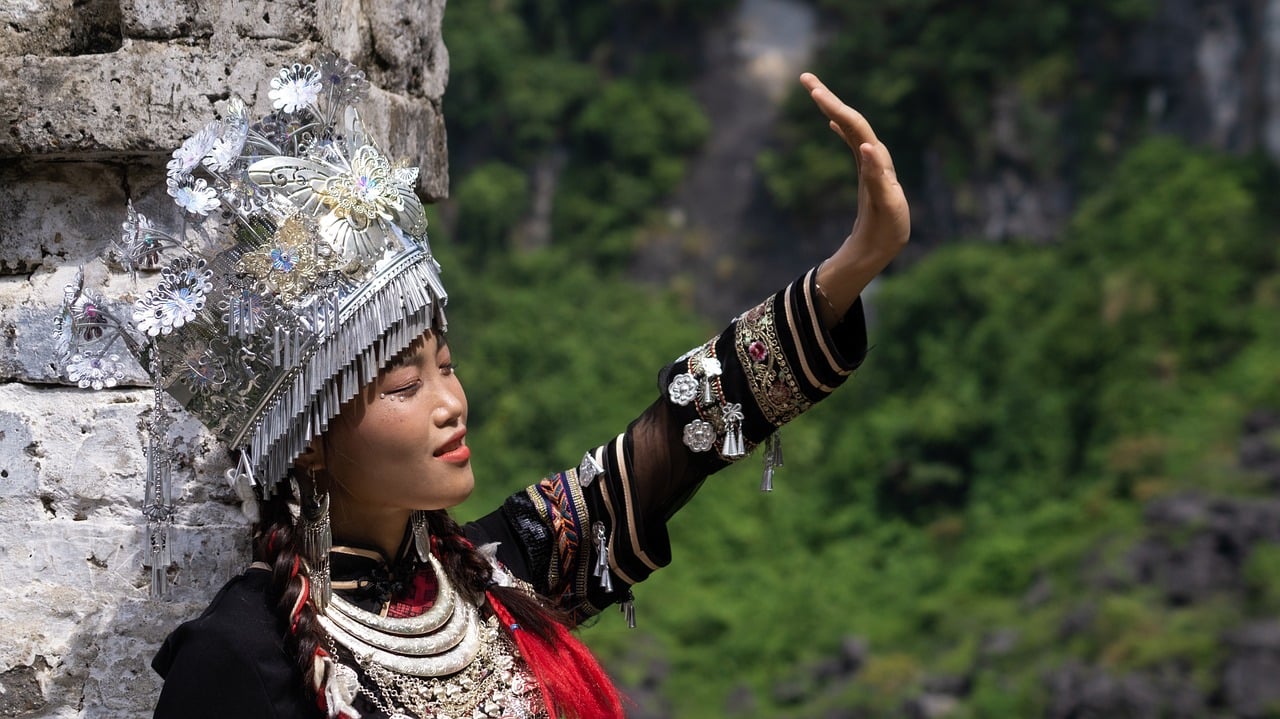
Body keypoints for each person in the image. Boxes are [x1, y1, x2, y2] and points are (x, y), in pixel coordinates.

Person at [59, 55, 907, 719]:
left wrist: (853, 265)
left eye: (447, 364)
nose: (450, 400)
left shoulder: (496, 575)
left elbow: (679, 435)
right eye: (404, 383)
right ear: (309, 433)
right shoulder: (244, 658)